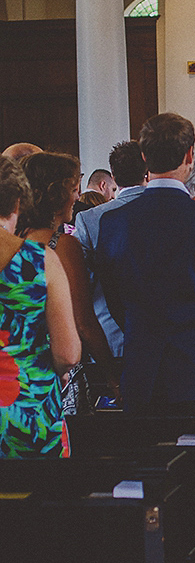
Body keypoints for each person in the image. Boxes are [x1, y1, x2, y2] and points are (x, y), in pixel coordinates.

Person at [98, 112, 195, 417]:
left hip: (143, 370)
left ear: (143, 157)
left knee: (147, 461)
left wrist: (142, 330)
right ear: (190, 155)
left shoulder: (114, 223)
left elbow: (113, 296)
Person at [17, 152, 120, 411]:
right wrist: (112, 375)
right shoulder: (62, 246)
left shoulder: (13, 241)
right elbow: (83, 322)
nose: (77, 197)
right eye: (73, 189)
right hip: (56, 372)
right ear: (56, 195)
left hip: (18, 371)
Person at [0, 155, 80, 457]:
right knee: (42, 500)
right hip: (28, 411)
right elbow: (68, 353)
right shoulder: (39, 260)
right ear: (18, 202)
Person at [73, 140, 148, 358]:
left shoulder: (89, 219)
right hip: (165, 330)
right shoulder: (167, 210)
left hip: (110, 331)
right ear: (147, 173)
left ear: (113, 176)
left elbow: (83, 282)